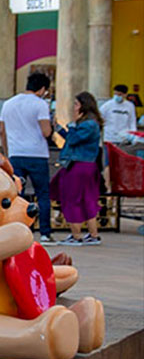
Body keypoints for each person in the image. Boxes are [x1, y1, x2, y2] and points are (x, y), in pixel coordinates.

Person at [0, 71, 56, 242]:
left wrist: (8, 151)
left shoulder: (8, 104)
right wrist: (53, 127)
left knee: (18, 194)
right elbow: (46, 131)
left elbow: (2, 131)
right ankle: (45, 232)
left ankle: (20, 229)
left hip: (16, 153)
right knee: (43, 194)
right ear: (42, 89)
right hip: (37, 154)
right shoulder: (40, 104)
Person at [53, 91, 105, 245]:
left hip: (78, 165)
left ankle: (76, 235)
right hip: (87, 165)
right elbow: (72, 138)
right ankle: (93, 235)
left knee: (71, 199)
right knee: (87, 199)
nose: (74, 107)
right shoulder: (91, 123)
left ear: (84, 105)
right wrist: (60, 130)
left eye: (76, 104)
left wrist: (71, 124)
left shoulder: (87, 124)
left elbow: (74, 139)